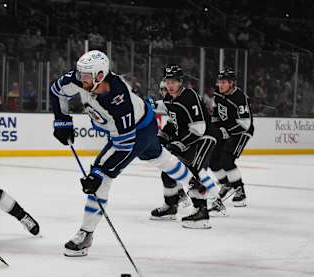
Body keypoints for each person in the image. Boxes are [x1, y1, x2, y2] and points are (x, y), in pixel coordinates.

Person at [50, 50, 206, 257]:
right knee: (160, 157)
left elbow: (124, 145)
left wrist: (97, 173)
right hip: (146, 123)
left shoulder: (118, 99)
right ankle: (194, 184)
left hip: (136, 133)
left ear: (99, 76)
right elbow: (57, 91)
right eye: (80, 73)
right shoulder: (81, 80)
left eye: (85, 75)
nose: (80, 79)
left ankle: (86, 234)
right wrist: (62, 120)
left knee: (102, 177)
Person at [151, 65, 226, 225]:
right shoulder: (170, 99)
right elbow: (172, 122)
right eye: (167, 81)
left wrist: (179, 144)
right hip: (190, 139)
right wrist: (161, 137)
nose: (170, 85)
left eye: (174, 82)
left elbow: (199, 128)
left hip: (204, 138)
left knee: (193, 172)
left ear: (180, 82)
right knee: (169, 169)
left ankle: (202, 212)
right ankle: (171, 206)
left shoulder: (189, 96)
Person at [210, 68, 254, 207]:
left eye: (223, 82)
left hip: (241, 132)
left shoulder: (240, 98)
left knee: (226, 160)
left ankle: (240, 191)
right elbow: (216, 115)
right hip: (226, 130)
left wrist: (226, 131)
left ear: (231, 83)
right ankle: (226, 184)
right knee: (212, 160)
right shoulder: (218, 94)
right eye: (219, 82)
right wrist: (214, 129)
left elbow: (245, 124)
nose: (220, 85)